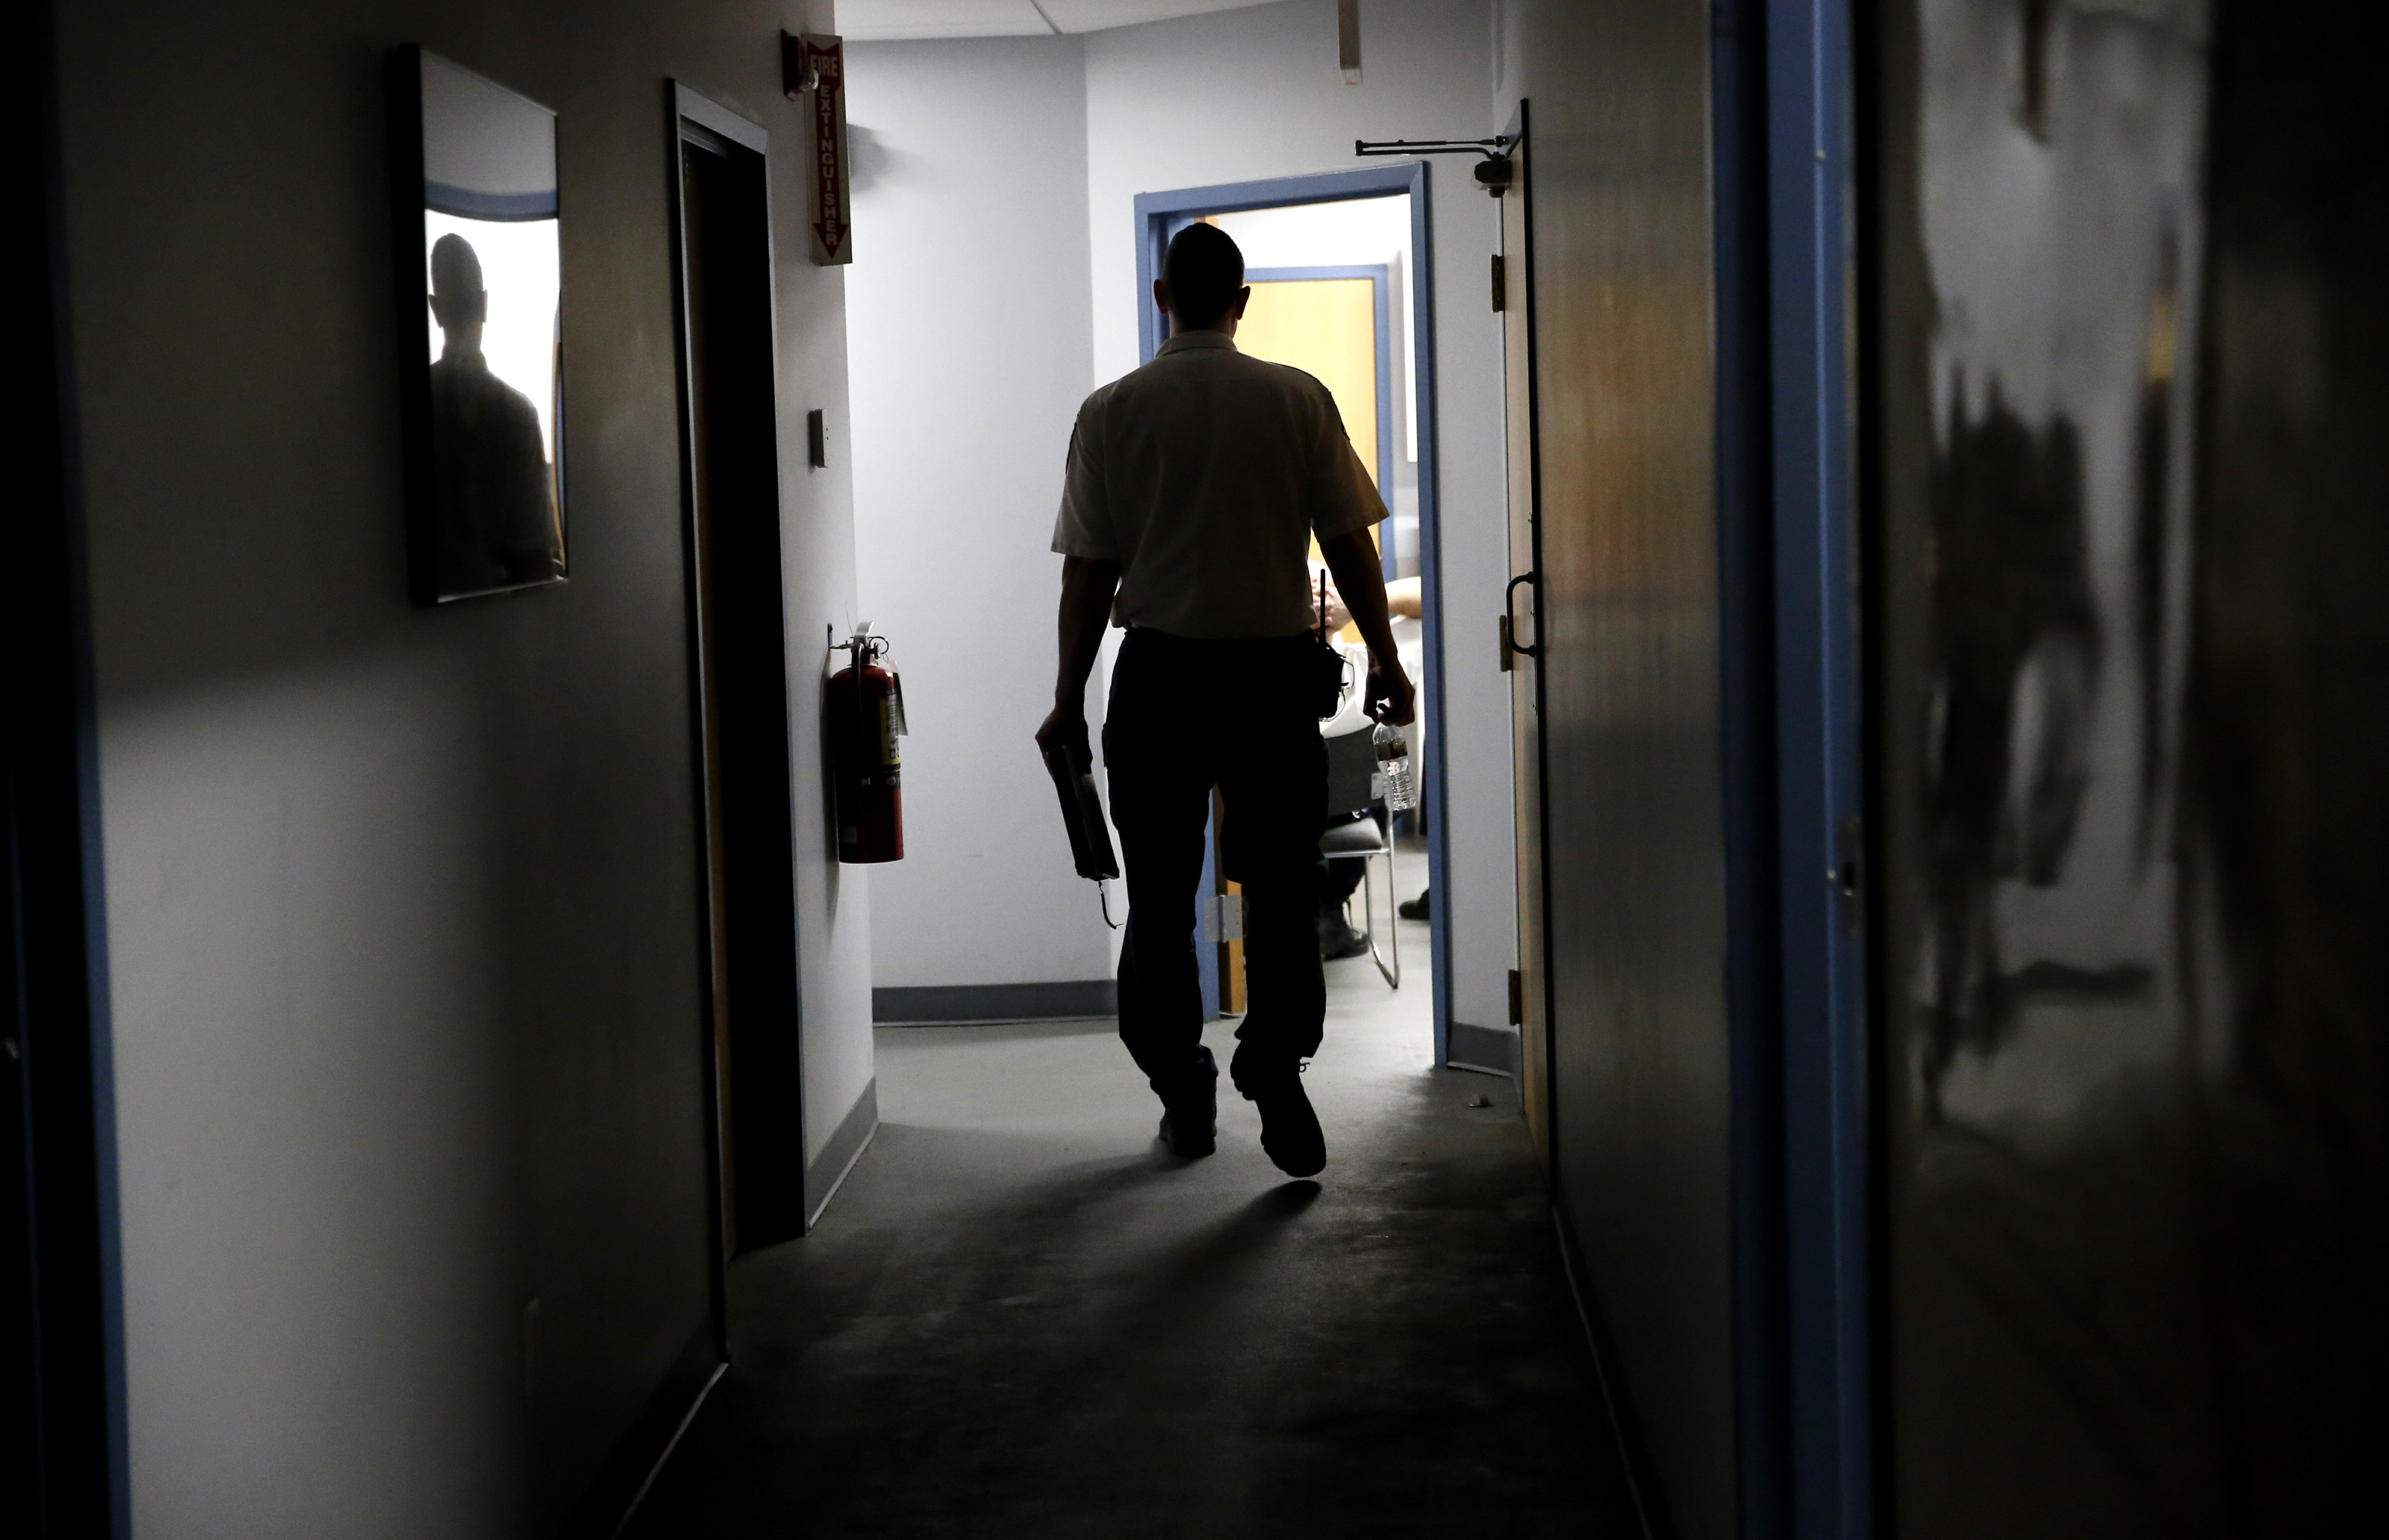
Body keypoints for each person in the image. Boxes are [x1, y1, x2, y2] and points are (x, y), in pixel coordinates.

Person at [1037, 222, 1415, 1179]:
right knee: (1281, 888)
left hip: (1158, 679)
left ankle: (1182, 1088)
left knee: (1161, 903)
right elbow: (1346, 543)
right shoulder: (1295, 398)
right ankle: (1273, 1062)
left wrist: (1064, 697)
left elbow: (1089, 572)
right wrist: (1384, 657)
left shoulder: (1111, 411)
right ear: (1239, 302)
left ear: (1163, 296)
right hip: (1267, 682)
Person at [426, 233, 563, 596]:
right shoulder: (518, 414)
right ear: (485, 304)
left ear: (435, 308)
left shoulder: (410, 407)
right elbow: (534, 568)